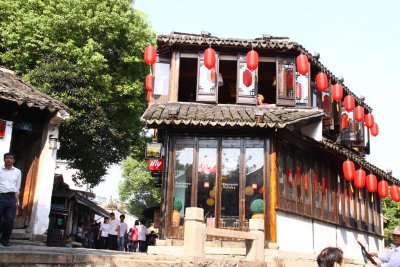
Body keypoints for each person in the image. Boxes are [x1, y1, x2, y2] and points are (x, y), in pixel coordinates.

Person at [0, 152, 22, 247]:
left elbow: (17, 187)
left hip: (11, 197)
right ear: (4, 159)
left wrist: (17, 202)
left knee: (9, 220)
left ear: (14, 160)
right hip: (0, 196)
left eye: (11, 158)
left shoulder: (17, 172)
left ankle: (5, 240)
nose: (9, 159)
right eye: (7, 158)